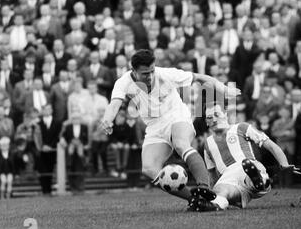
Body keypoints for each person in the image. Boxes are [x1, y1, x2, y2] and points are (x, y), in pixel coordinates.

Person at [101, 49, 240, 203]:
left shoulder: (166, 74)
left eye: (152, 71)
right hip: (154, 126)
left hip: (177, 116)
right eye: (145, 73)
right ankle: (195, 199)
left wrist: (225, 89)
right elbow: (114, 104)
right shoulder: (123, 82)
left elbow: (200, 78)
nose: (150, 76)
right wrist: (107, 119)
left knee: (181, 144)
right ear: (133, 71)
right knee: (148, 168)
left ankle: (204, 187)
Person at [189, 102, 301, 212]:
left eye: (216, 115)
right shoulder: (208, 144)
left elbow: (270, 145)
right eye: (209, 117)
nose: (213, 119)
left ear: (226, 114)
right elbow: (212, 174)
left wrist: (284, 163)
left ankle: (257, 180)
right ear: (206, 122)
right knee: (221, 190)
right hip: (231, 181)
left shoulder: (241, 127)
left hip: (247, 166)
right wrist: (212, 192)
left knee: (247, 166)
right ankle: (215, 204)